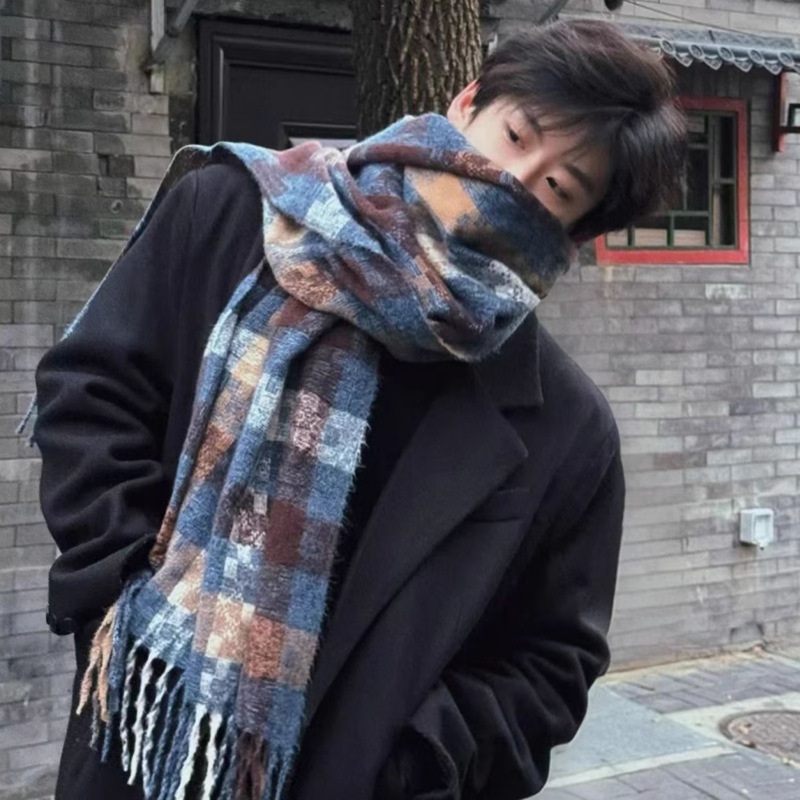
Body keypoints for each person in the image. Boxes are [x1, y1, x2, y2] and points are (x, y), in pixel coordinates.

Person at [28, 18, 686, 800]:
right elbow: (92, 397)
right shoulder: (230, 213)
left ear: (575, 230)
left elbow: (550, 667)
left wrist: (406, 762)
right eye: (516, 135)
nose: (512, 178)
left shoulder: (567, 431)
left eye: (558, 188)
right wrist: (117, 597)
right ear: (467, 101)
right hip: (141, 730)